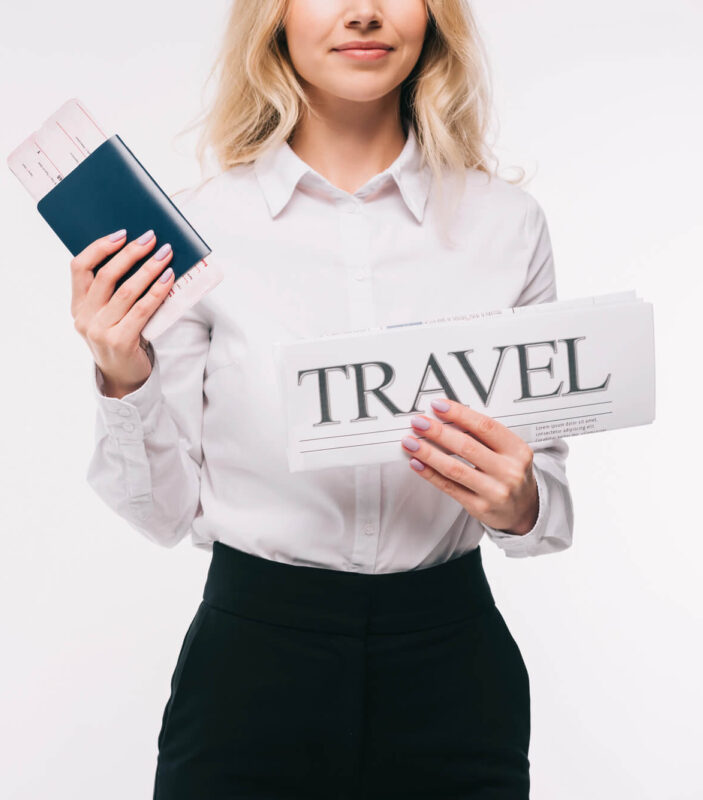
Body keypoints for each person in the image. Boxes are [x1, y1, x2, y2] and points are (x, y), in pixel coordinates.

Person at [69, 0, 573, 797]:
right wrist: (122, 374)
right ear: (273, 17)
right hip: (250, 668)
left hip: (452, 667)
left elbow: (545, 506)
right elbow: (160, 513)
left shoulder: (505, 225)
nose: (363, 13)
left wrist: (519, 504)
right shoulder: (199, 230)